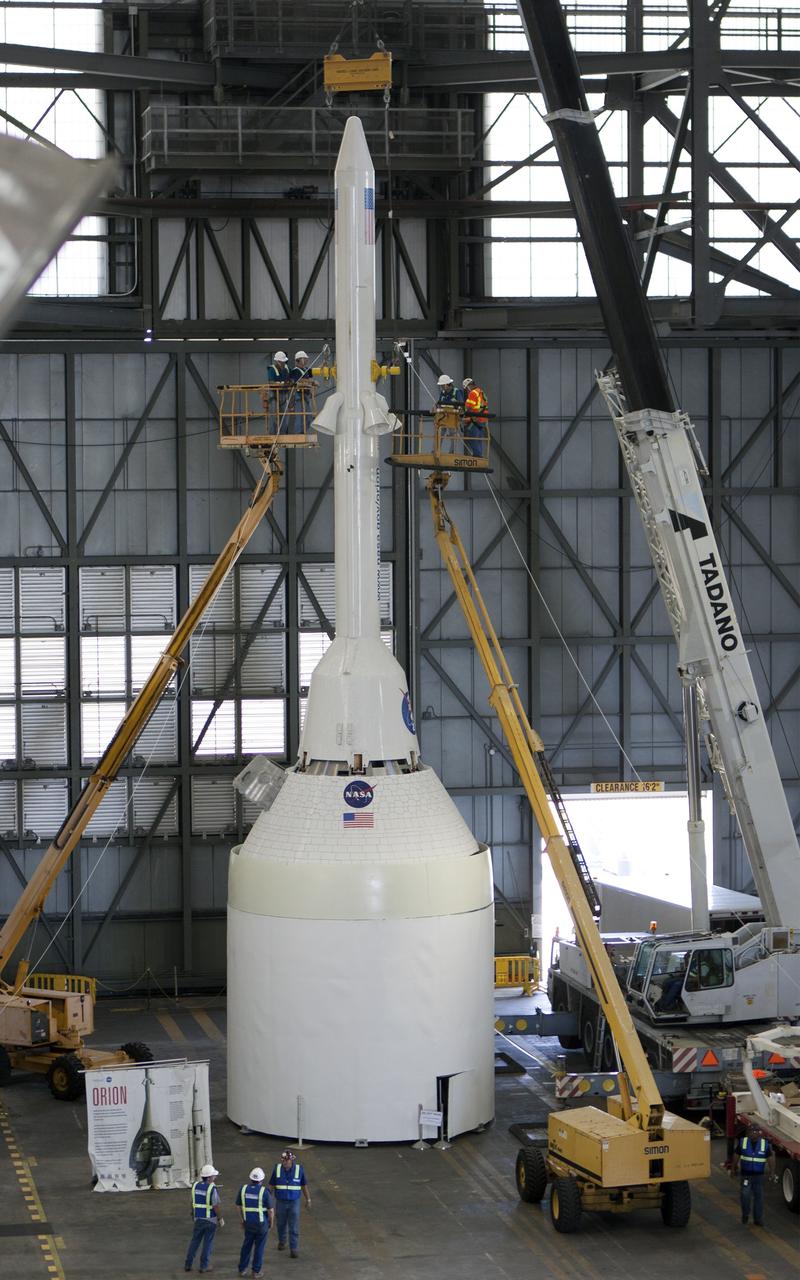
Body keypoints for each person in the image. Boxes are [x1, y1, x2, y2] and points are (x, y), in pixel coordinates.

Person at [269, 1148, 311, 1258]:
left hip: (294, 1202)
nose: (284, 1162)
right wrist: (267, 1200)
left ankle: (294, 1248)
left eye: (286, 1160)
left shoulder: (299, 1170)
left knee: (294, 1226)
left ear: (292, 1160)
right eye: (283, 1160)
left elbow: (304, 1185)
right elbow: (272, 1185)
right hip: (281, 1202)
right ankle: (282, 1241)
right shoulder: (277, 1169)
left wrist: (308, 1199)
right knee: (280, 1224)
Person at [236, 1166, 274, 1278]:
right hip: (261, 1225)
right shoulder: (264, 1192)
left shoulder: (243, 1189)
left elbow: (238, 1206)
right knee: (259, 1248)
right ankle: (256, 1271)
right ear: (261, 1180)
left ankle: (242, 1269)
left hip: (248, 1223)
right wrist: (271, 1222)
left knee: (246, 1246)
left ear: (251, 1178)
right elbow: (271, 1211)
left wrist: (242, 1220)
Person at [185, 1162, 222, 1274]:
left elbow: (192, 1202)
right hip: (210, 1220)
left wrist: (193, 1214)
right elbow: (215, 1206)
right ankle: (204, 1266)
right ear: (209, 1177)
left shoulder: (195, 1186)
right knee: (208, 1243)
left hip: (198, 1219)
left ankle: (188, 1264)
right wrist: (220, 1218)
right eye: (213, 1176)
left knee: (195, 1241)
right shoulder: (212, 1189)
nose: (215, 1177)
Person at [732, 1131, 775, 1225]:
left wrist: (772, 1172)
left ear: (759, 1133)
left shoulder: (764, 1144)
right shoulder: (743, 1142)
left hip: (758, 1177)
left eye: (755, 1132)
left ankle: (758, 1219)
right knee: (745, 1195)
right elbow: (736, 1155)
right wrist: (733, 1168)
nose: (752, 1134)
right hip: (746, 1176)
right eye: (751, 1131)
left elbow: (770, 1158)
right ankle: (745, 1214)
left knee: (759, 1198)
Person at [462, 377, 488, 457]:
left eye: (466, 388)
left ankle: (477, 456)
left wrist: (465, 417)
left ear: (468, 386)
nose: (467, 390)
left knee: (472, 437)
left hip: (476, 419)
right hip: (483, 419)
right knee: (478, 439)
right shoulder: (481, 392)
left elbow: (470, 408)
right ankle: (479, 456)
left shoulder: (473, 393)